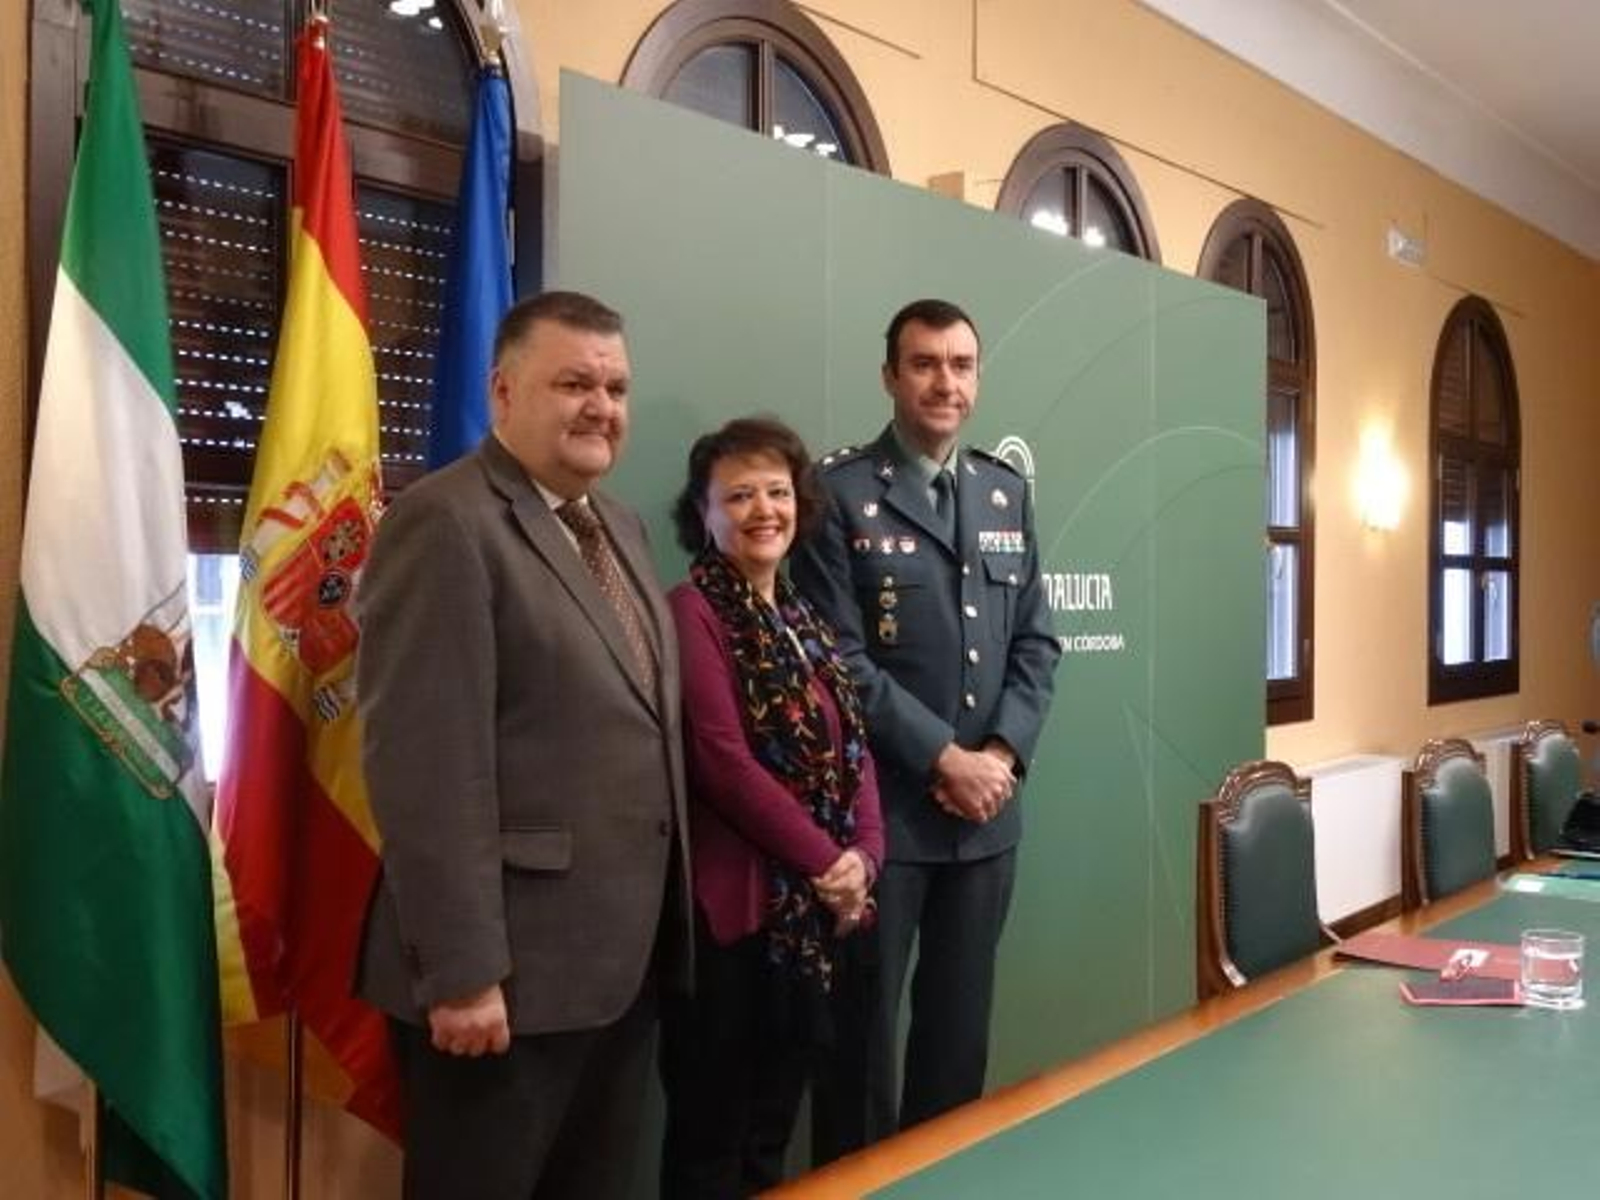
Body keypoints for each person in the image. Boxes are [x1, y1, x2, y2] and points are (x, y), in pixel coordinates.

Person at [355, 291, 693, 1200]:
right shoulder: (444, 523)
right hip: (504, 985)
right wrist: (464, 975)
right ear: (503, 392)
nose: (602, 406)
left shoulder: (614, 524)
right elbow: (425, 768)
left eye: (616, 386)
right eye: (574, 382)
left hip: (615, 975)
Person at [790, 298, 1061, 1144]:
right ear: (890, 377)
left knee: (957, 1046)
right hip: (886, 825)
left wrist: (1002, 757)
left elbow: (1036, 643)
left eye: (961, 365)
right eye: (925, 364)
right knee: (860, 1054)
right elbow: (841, 660)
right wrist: (947, 759)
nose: (945, 382)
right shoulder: (837, 495)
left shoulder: (1003, 490)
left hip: (985, 826)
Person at [659, 417, 884, 1198]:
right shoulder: (692, 610)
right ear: (704, 512)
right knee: (710, 1143)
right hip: (735, 926)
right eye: (740, 494)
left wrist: (867, 857)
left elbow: (852, 750)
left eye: (779, 492)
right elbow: (720, 761)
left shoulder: (804, 621)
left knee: (769, 1140)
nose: (764, 510)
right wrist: (830, 863)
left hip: (809, 927)